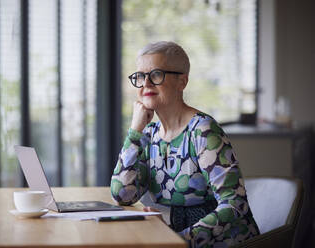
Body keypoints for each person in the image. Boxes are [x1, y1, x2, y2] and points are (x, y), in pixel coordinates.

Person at [110, 41, 260, 247]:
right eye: (140, 76)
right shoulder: (149, 135)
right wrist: (134, 132)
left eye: (155, 75)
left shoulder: (204, 131)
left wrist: (179, 239)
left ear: (182, 81)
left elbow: (235, 204)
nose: (145, 84)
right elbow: (123, 194)